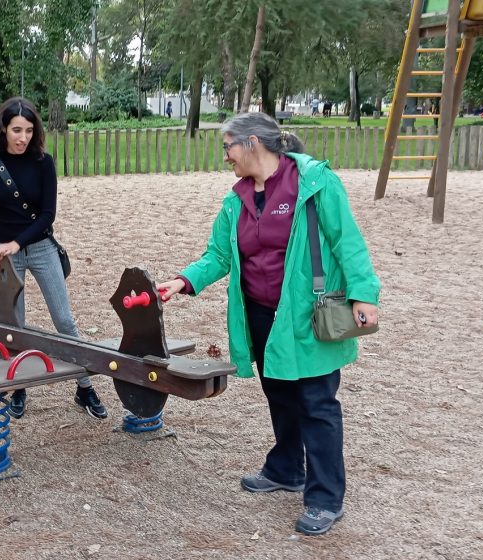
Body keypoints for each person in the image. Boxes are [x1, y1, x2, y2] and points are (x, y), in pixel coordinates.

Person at [157, 112, 380, 536]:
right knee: (278, 390)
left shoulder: (313, 183)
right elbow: (219, 256)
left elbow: (347, 241)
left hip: (306, 311)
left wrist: (365, 293)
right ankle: (286, 468)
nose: (225, 157)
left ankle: (326, 497)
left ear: (253, 142)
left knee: (317, 401)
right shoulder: (236, 198)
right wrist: (184, 280)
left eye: (228, 147)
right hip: (259, 312)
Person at [0, 96, 108, 420]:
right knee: (13, 324)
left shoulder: (44, 162)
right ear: (3, 128)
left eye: (29, 130)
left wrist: (18, 243)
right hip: (5, 252)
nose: (23, 138)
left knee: (64, 319)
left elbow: (47, 215)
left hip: (41, 247)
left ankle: (84, 386)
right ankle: (19, 387)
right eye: (17, 130)